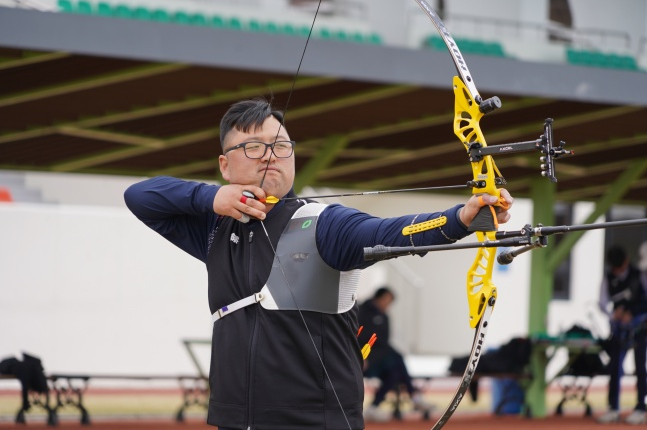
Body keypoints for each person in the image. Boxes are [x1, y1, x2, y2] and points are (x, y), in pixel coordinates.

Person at [124, 97, 514, 430]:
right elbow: (140, 196)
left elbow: (391, 232)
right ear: (225, 166)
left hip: (315, 420)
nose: (271, 156)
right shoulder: (214, 229)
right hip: (234, 417)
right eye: (254, 148)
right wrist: (212, 198)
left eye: (281, 146)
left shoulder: (324, 223)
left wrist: (461, 218)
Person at [358, 287, 432, 422]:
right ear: (378, 298)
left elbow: (384, 341)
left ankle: (373, 407)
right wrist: (362, 357)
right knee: (397, 358)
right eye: (387, 300)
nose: (388, 304)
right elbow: (358, 337)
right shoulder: (361, 312)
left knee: (396, 372)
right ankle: (414, 396)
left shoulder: (384, 316)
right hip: (364, 359)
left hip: (379, 359)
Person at [597, 245, 647, 425]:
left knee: (641, 368)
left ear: (627, 261)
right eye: (615, 268)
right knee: (615, 367)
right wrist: (614, 315)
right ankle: (613, 408)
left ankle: (641, 407)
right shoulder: (608, 277)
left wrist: (632, 314)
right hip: (619, 330)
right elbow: (602, 302)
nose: (619, 271)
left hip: (640, 328)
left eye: (621, 267)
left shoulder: (639, 273)